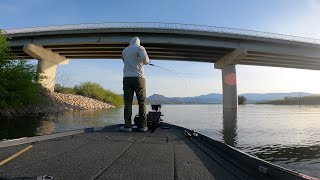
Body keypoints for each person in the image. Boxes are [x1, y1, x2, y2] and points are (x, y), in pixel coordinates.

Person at [120, 37, 150, 132]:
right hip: (139, 78)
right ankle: (143, 126)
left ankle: (128, 126)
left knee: (128, 103)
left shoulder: (124, 50)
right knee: (142, 102)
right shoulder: (140, 48)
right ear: (138, 42)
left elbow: (124, 61)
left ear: (130, 42)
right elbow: (145, 59)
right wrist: (145, 62)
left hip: (127, 78)